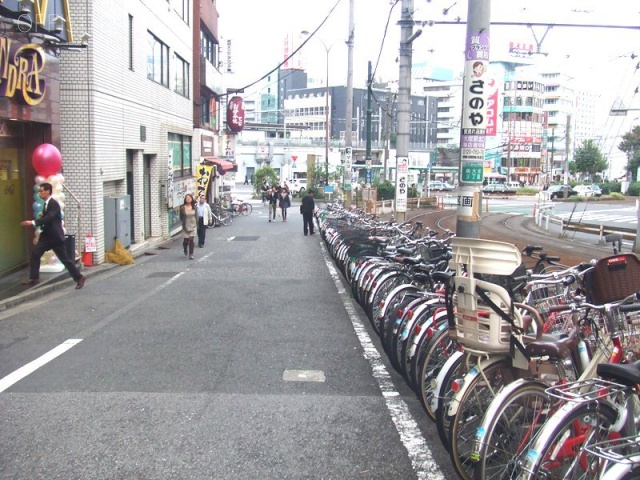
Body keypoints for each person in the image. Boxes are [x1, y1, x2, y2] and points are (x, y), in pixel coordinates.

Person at [20, 182, 86, 289]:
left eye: (41, 191)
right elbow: (49, 217)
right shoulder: (46, 203)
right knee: (35, 253)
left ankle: (79, 277)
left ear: (47, 191)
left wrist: (33, 222)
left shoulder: (53, 203)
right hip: (47, 236)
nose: (39, 193)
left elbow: (50, 217)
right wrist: (43, 215)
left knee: (65, 259)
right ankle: (34, 277)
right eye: (39, 191)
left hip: (55, 238)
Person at [180, 194, 197, 259]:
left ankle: (191, 254)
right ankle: (185, 247)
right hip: (186, 225)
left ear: (192, 199)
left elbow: (196, 216)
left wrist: (197, 224)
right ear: (185, 199)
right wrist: (183, 223)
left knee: (191, 239)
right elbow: (181, 217)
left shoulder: (194, 207)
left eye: (189, 198)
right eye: (187, 198)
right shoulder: (182, 208)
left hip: (193, 225)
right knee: (186, 240)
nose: (188, 199)